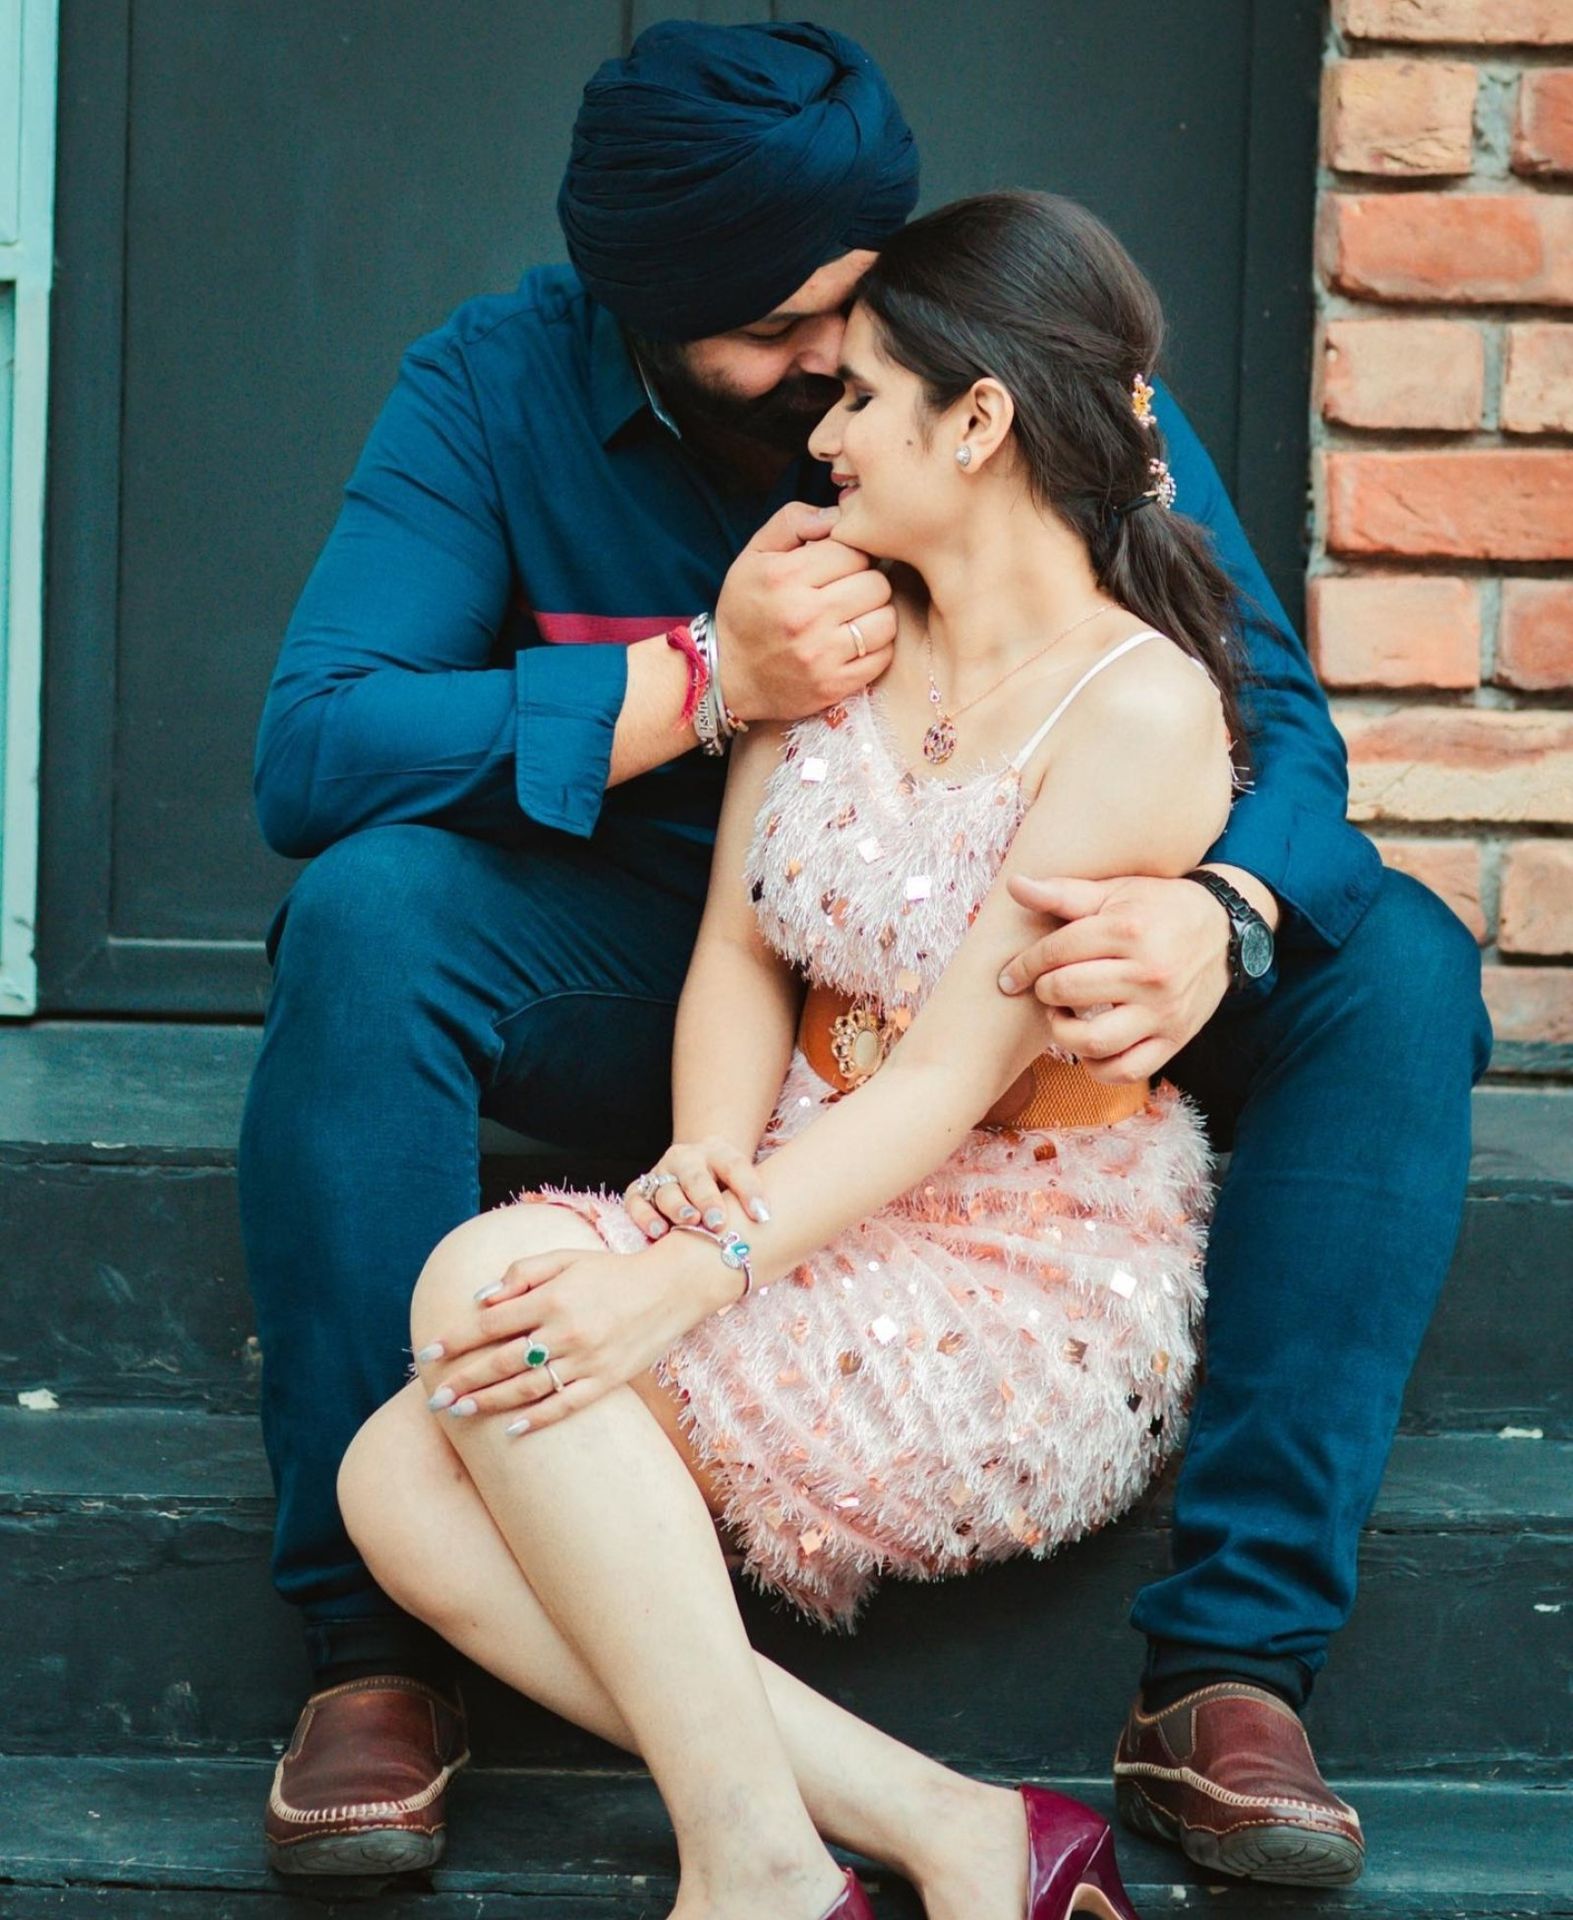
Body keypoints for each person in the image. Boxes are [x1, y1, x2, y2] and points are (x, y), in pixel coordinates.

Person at [241, 16, 1491, 1894]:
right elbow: (318, 750)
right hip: (680, 960)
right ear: (645, 309)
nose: (837, 362)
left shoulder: (999, 363)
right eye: (787, 327)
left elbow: (1277, 730)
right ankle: (378, 1658)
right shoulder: (494, 390)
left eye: (861, 310)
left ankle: (1228, 1663)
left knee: (1393, 964)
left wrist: (1220, 913)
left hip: (1040, 1003)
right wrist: (693, 681)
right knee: (365, 919)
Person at [342, 182, 1239, 1920]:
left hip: (1006, 1255)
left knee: (463, 1351)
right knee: (398, 1468)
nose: (818, 434)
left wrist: (686, 1276)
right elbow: (740, 946)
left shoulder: (1137, 709)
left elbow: (940, 1084)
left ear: (975, 422)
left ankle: (771, 1862)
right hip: (790, 1180)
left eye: (861, 396)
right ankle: (924, 1832)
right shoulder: (834, 617)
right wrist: (701, 1152)